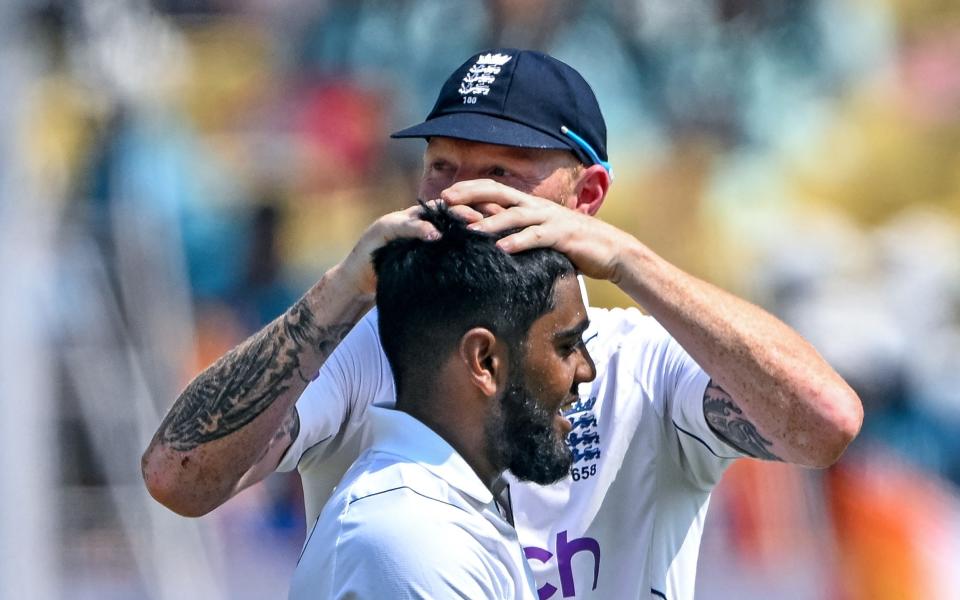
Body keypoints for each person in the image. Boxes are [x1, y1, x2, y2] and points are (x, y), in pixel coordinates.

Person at [142, 49, 863, 600]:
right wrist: (340, 291)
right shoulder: (374, 347)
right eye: (441, 167)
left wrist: (630, 261)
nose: (459, 198)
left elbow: (824, 421)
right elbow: (180, 480)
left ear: (588, 195)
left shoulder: (638, 362)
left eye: (501, 171)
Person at [290, 204, 593, 598]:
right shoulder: (411, 537)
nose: (587, 370)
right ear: (484, 360)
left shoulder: (441, 513)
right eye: (567, 345)